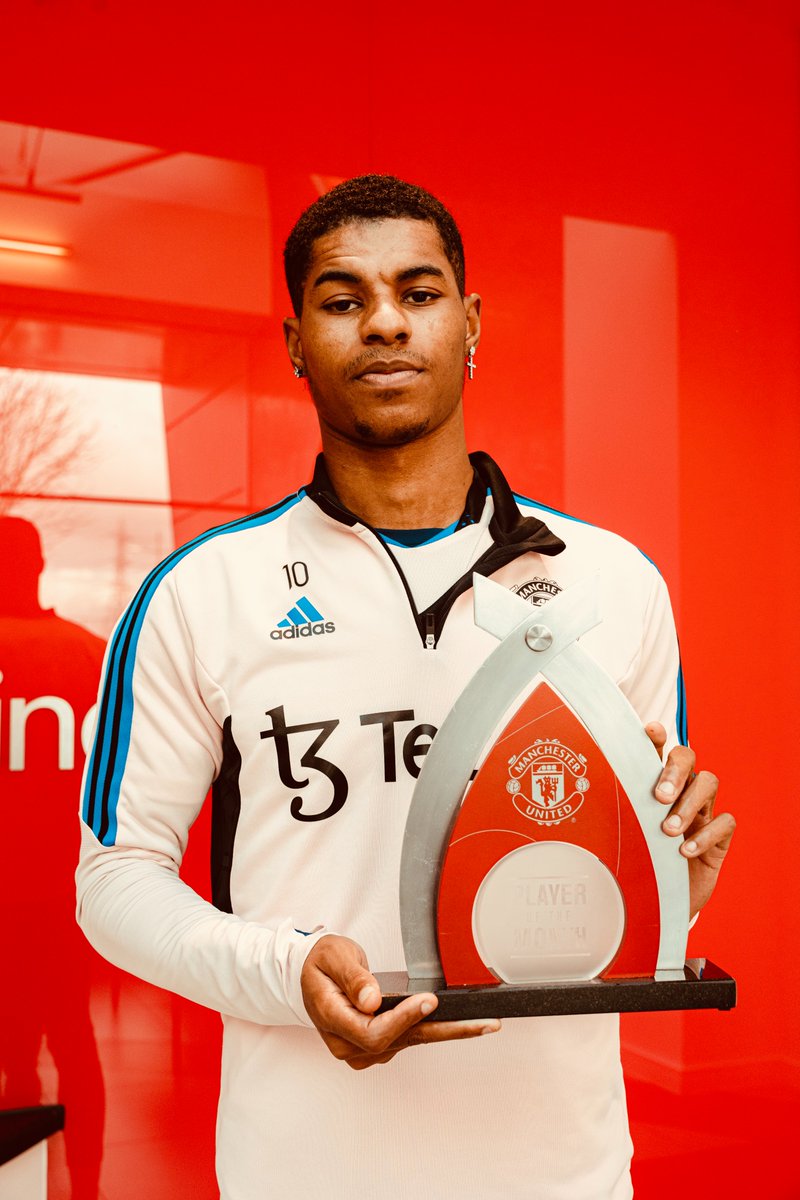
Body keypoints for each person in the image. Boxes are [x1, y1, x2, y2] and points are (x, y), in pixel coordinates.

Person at [77, 175, 735, 1199]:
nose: (383, 321)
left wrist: (677, 875)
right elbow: (114, 879)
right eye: (342, 300)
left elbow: (638, 909)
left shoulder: (612, 582)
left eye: (418, 293)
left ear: (468, 324)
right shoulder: (201, 591)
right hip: (300, 1171)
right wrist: (284, 973)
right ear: (295, 340)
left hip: (561, 1173)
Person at [0, 516, 106, 1199]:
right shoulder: (90, 657)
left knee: (15, 1056)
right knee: (76, 1045)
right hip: (72, 895)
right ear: (38, 568)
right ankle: (86, 1189)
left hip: (9, 898)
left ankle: (19, 1183)